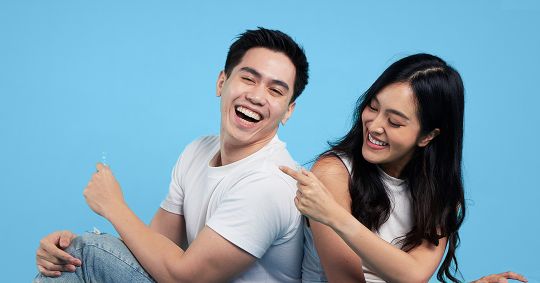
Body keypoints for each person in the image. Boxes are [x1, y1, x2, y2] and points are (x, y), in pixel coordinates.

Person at [34, 27, 309, 283]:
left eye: (275, 91)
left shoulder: (270, 183)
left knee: (87, 253)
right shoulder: (198, 150)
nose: (257, 97)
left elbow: (184, 278)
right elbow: (150, 250)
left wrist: (112, 206)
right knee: (70, 257)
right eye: (248, 79)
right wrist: (64, 250)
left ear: (288, 111)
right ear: (221, 82)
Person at [281, 53, 527, 283]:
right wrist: (332, 216)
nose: (375, 126)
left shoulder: (439, 194)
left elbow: (413, 274)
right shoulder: (334, 172)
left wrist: (334, 216)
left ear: (428, 136)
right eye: (373, 107)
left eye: (395, 122)